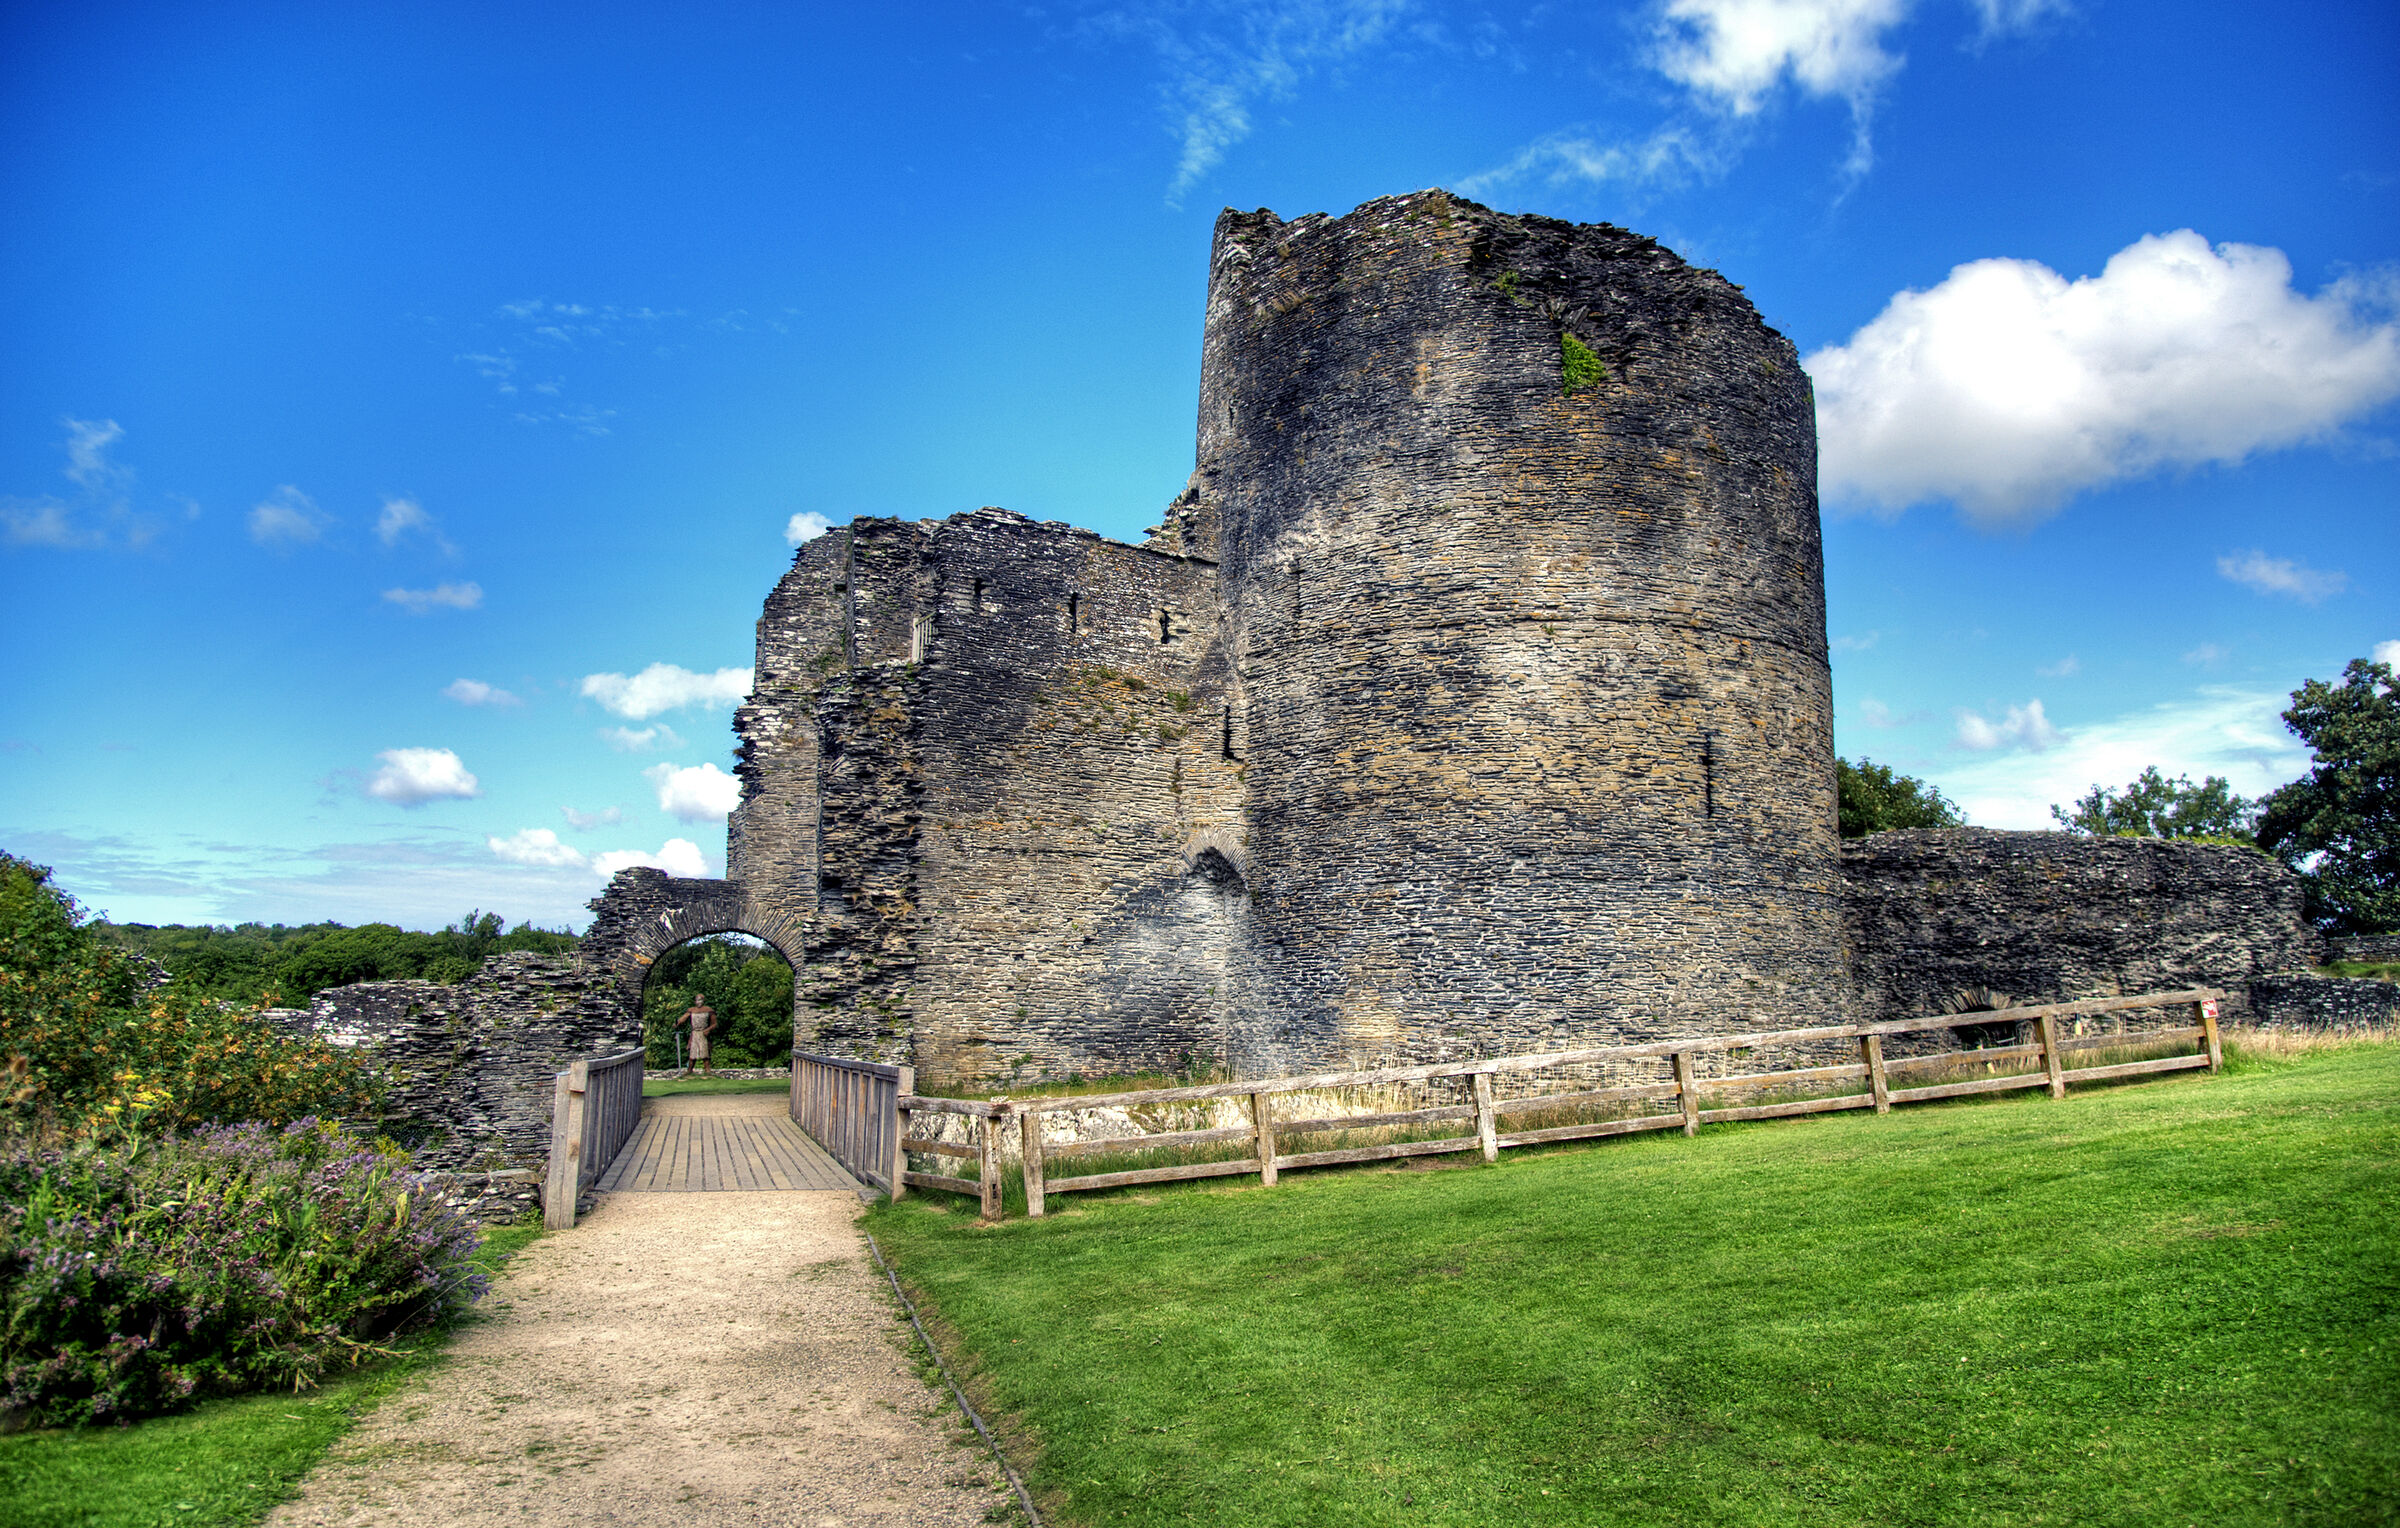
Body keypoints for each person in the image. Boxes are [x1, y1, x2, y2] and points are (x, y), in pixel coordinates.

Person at [678, 996, 717, 1076]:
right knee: (693, 1052)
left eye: (700, 1000)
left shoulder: (708, 1010)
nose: (699, 1002)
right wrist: (677, 1023)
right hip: (695, 1033)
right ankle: (689, 1070)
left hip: (703, 1033)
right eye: (697, 1000)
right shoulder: (691, 1010)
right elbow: (683, 1018)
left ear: (703, 1001)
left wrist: (708, 1030)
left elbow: (714, 1024)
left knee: (705, 1052)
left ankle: (707, 1070)